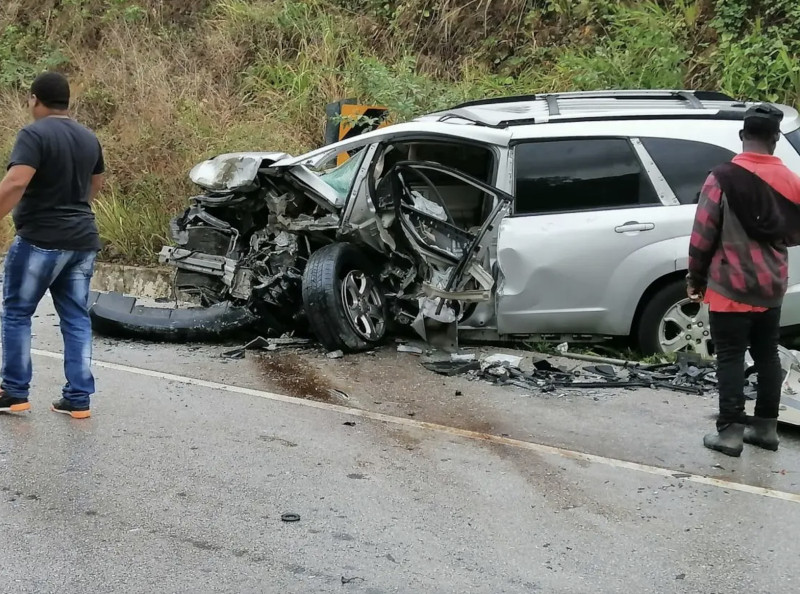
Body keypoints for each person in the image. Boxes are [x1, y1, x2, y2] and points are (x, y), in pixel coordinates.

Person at [687, 103, 800, 457]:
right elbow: (795, 234)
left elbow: (703, 233)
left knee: (731, 357)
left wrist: (696, 276)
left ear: (742, 136)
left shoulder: (721, 177)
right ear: (776, 139)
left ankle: (731, 433)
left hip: (729, 287)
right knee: (767, 355)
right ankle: (766, 429)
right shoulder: (792, 181)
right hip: (771, 287)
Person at [0, 72, 104, 419]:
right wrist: (74, 209)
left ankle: (13, 392)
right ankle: (78, 397)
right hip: (82, 241)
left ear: (34, 100)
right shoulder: (89, 137)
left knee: (17, 313)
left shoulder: (34, 133)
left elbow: (16, 182)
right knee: (76, 317)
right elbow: (97, 181)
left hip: (40, 241)